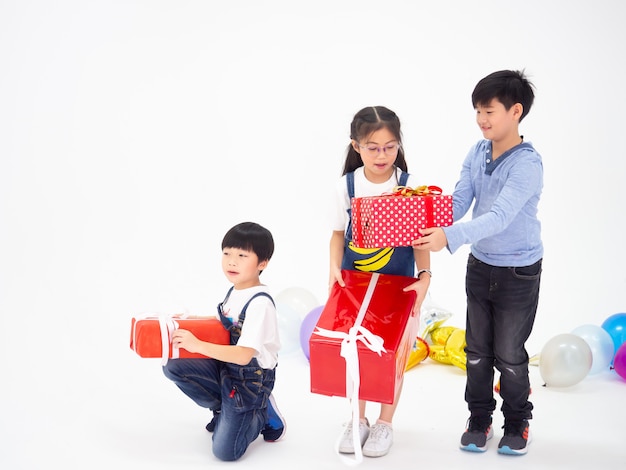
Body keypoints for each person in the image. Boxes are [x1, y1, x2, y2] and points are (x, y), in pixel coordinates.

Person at [413, 70, 543, 456]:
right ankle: (479, 419)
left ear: (515, 111)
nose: (481, 119)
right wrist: (426, 218)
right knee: (476, 351)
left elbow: (499, 217)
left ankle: (518, 422)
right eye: (477, 111)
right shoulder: (477, 150)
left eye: (489, 110)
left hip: (519, 270)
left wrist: (448, 238)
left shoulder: (527, 164)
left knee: (510, 355)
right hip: (481, 265)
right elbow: (459, 200)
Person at [329, 106, 432, 458]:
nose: (382, 155)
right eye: (373, 147)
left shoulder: (408, 186)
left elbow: (421, 238)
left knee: (392, 356)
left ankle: (385, 422)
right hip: (355, 284)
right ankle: (357, 419)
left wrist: (425, 277)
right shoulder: (348, 185)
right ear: (356, 146)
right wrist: (333, 271)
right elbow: (336, 235)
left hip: (399, 284)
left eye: (389, 147)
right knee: (356, 352)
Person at [162, 221, 286, 462]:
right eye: (227, 253)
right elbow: (222, 324)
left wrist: (196, 345)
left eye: (242, 255)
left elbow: (243, 355)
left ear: (262, 263)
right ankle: (223, 408)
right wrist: (188, 321)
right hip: (226, 368)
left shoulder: (259, 303)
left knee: (224, 453)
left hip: (251, 381)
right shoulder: (236, 290)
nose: (231, 261)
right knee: (174, 364)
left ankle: (261, 412)